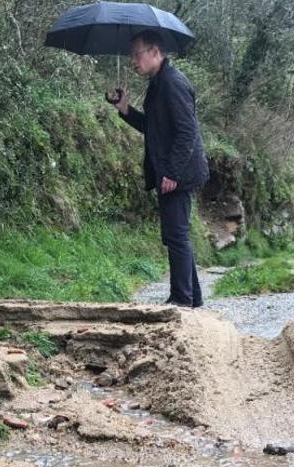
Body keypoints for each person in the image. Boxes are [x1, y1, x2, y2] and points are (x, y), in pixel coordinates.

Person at [108, 30, 209, 308]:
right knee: (174, 234)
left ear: (155, 52)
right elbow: (153, 128)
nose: (132, 61)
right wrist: (125, 109)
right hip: (171, 171)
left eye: (136, 54)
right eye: (131, 56)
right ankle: (193, 298)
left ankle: (181, 299)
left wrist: (173, 173)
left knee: (176, 234)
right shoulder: (158, 82)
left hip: (179, 173)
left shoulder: (172, 83)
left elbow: (187, 132)